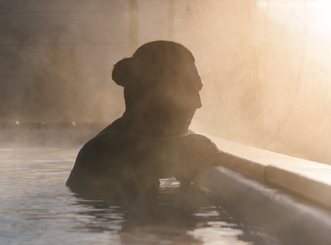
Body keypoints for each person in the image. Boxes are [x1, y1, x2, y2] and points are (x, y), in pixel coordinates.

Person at [66, 41, 218, 206]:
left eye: (197, 90)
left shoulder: (179, 142)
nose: (197, 103)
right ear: (149, 92)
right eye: (187, 89)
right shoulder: (103, 149)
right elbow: (183, 150)